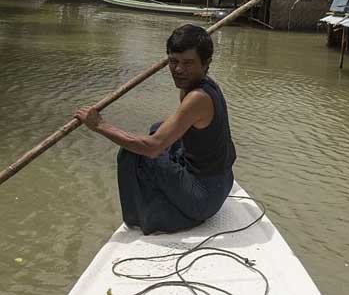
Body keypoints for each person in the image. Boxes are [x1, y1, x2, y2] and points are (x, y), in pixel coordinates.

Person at [74, 24, 236, 234]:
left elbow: (152, 148)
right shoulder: (201, 85)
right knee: (158, 128)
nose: (178, 69)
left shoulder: (197, 98)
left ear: (206, 64)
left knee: (134, 152)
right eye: (173, 61)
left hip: (205, 198)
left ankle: (142, 217)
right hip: (222, 181)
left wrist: (99, 125)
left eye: (188, 63)